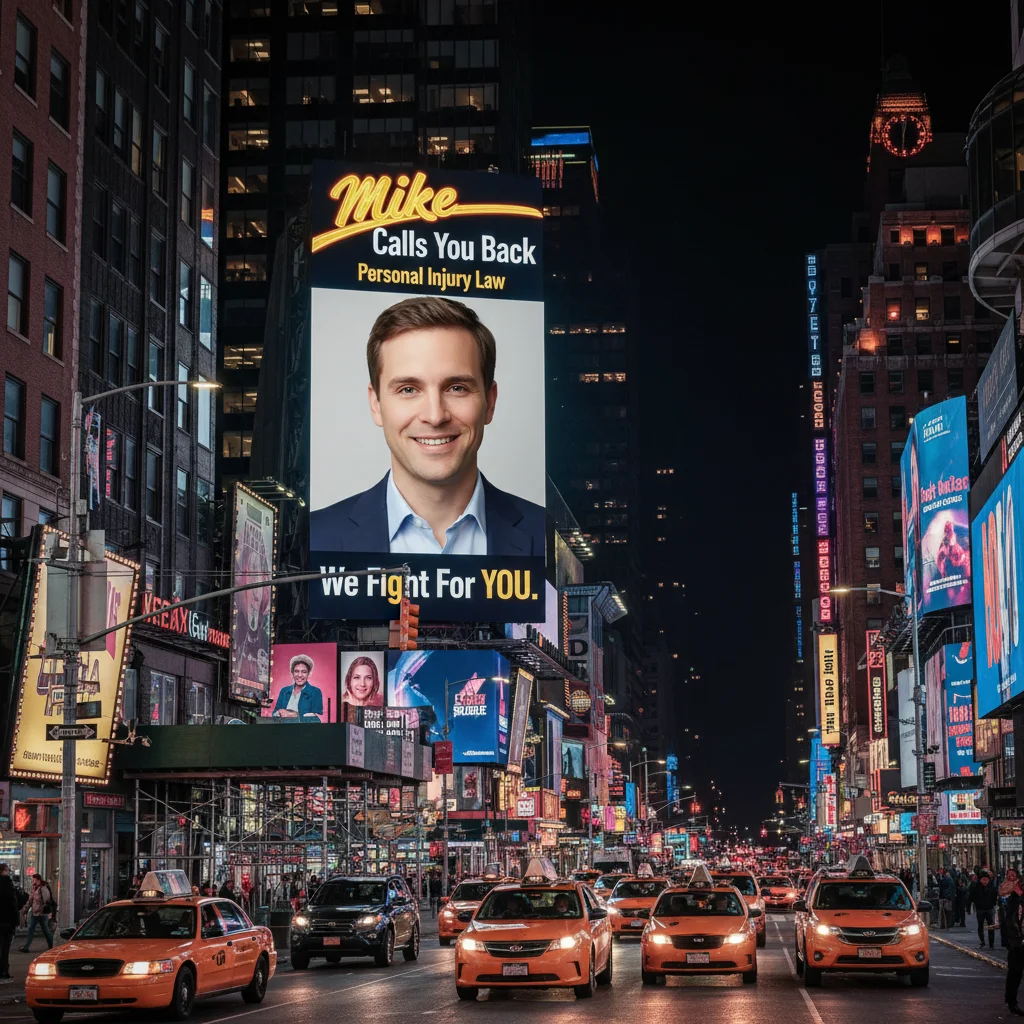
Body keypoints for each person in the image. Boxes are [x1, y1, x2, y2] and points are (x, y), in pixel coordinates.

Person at [310, 296, 545, 557]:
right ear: (376, 403)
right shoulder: (312, 540)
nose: (435, 416)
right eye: (408, 389)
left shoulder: (550, 538)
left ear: (490, 402)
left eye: (457, 388)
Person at [272, 654, 325, 720]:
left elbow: (316, 719)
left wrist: (295, 715)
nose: (299, 675)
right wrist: (279, 713)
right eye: (296, 671)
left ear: (309, 674)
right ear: (292, 673)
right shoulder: (284, 691)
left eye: (304, 672)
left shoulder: (315, 692)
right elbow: (274, 714)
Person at [1006, 872, 1024, 1015]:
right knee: (1015, 973)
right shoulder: (1013, 901)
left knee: (1015, 973)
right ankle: (1012, 1001)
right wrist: (1015, 941)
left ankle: (1012, 1001)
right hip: (1017, 942)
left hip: (1018, 940)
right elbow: (1010, 922)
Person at [20, 875, 54, 952]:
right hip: (35, 914)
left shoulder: (43, 888)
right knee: (31, 929)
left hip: (42, 914)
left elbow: (47, 901)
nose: (33, 881)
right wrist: (25, 909)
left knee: (46, 930)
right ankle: (26, 947)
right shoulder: (34, 889)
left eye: (34, 880)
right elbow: (30, 901)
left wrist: (47, 911)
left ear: (38, 880)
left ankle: (52, 945)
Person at [969, 870, 999, 950]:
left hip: (989, 909)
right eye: (983, 880)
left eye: (986, 880)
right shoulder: (975, 887)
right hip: (980, 909)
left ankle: (991, 944)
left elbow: (995, 896)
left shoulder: (992, 887)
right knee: (980, 926)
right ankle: (982, 942)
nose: (985, 881)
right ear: (980, 879)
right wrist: (969, 907)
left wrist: (993, 905)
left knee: (991, 927)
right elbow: (971, 898)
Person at [0, 866, 18, 982]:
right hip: (6, 922)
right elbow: (13, 903)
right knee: (5, 949)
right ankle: (3, 971)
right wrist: (14, 921)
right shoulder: (7, 883)